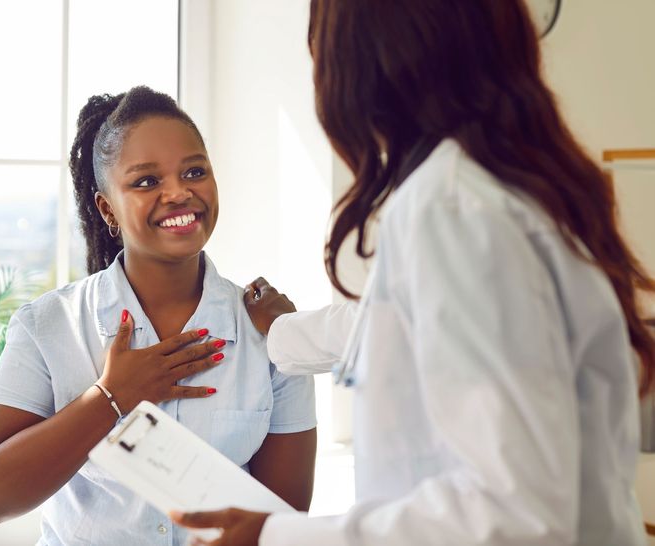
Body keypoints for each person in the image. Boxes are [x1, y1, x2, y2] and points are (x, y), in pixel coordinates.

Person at [171, 1, 655, 545]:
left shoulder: (450, 209)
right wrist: (283, 331)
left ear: (367, 61)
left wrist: (276, 537)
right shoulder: (511, 188)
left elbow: (517, 514)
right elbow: (404, 325)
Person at [0, 86, 317, 545]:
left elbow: (281, 524)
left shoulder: (270, 334)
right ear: (107, 208)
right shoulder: (49, 325)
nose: (178, 193)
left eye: (194, 171)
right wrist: (112, 396)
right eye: (147, 181)